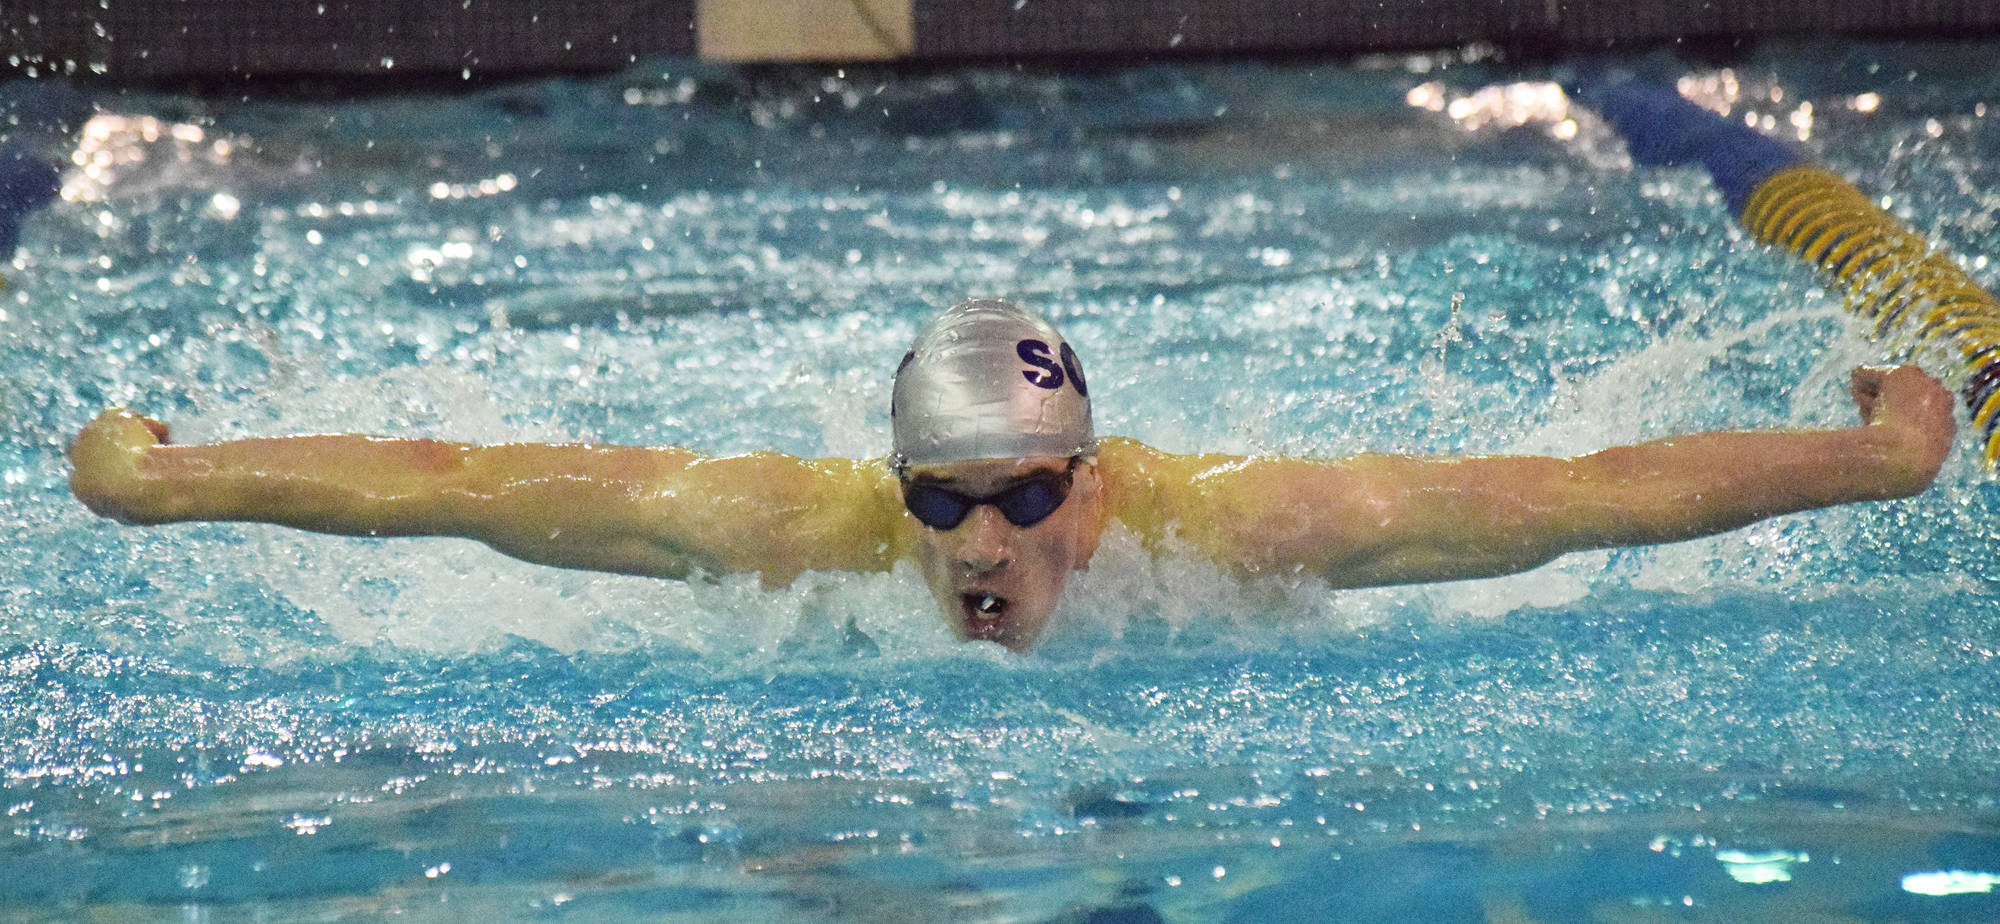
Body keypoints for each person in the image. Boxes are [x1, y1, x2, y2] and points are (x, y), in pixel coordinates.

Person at [69, 298, 1956, 652]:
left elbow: (1593, 495)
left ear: (1098, 484)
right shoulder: (789, 538)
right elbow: (452, 481)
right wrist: (166, 479)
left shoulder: (1251, 530)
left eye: (1025, 500)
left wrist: (1877, 460)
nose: (980, 542)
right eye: (939, 503)